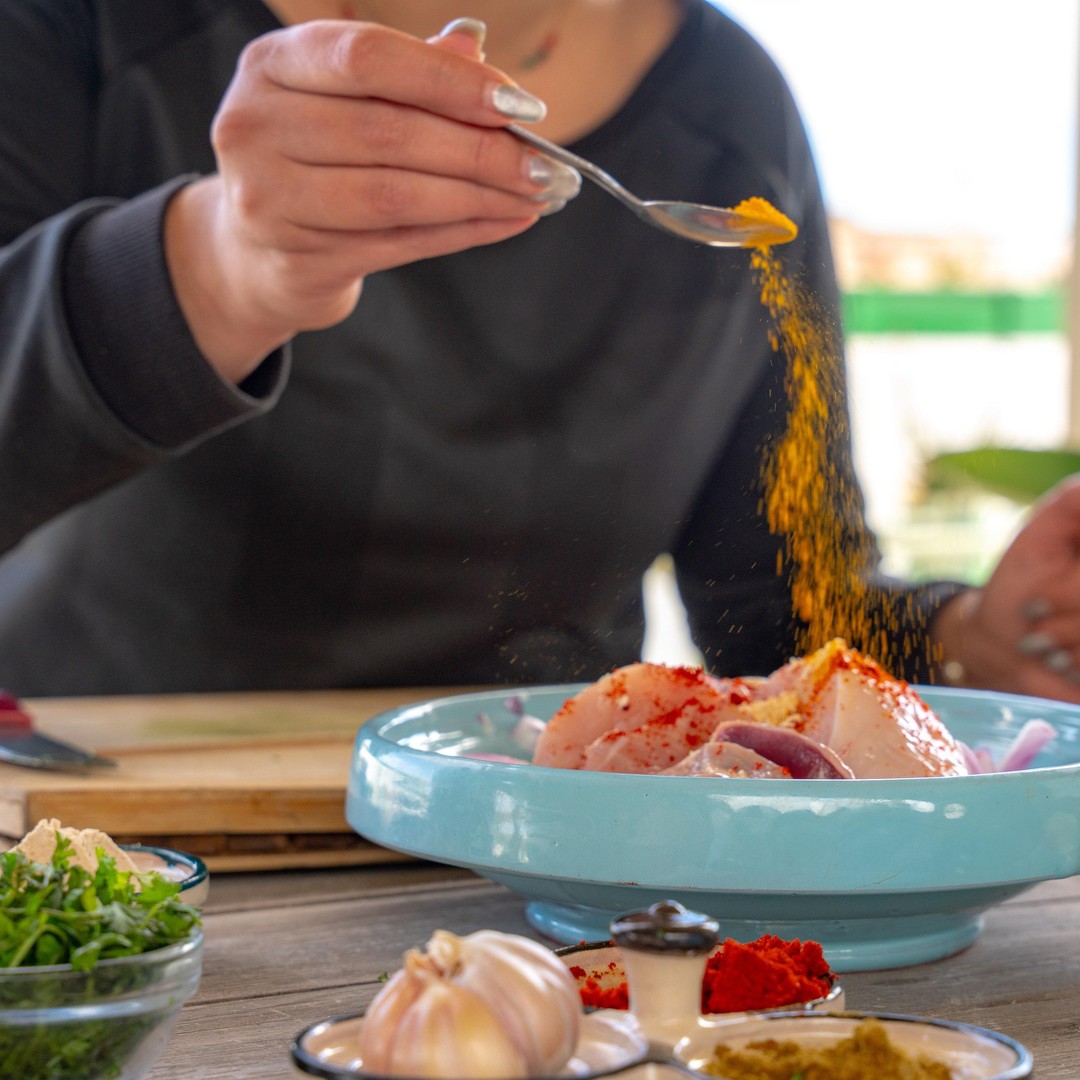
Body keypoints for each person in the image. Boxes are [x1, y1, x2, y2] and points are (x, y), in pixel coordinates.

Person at [0, 0, 1078, 705]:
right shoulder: (81, 32)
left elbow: (780, 605)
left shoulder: (731, 110)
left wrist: (975, 637)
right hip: (101, 840)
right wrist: (224, 263)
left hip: (552, 859)